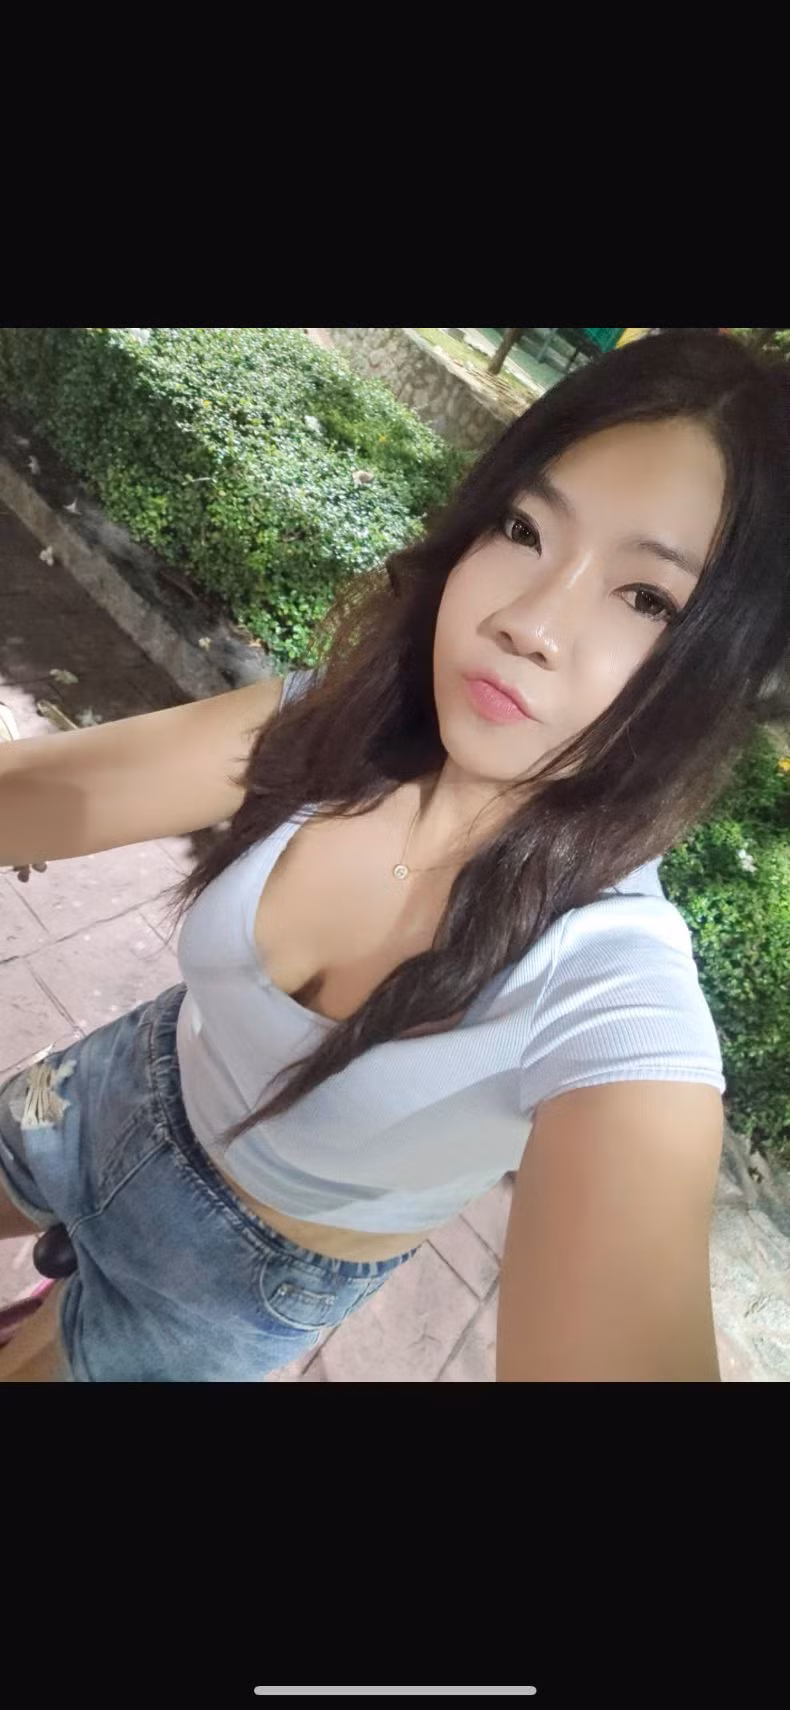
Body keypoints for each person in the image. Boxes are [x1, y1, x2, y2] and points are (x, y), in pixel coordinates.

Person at [1, 329, 788, 1383]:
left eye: (648, 598)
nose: (529, 622)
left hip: (230, 1290)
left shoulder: (610, 990)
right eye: (523, 528)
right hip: (106, 1093)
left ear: (723, 673)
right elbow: (36, 796)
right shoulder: (330, 735)